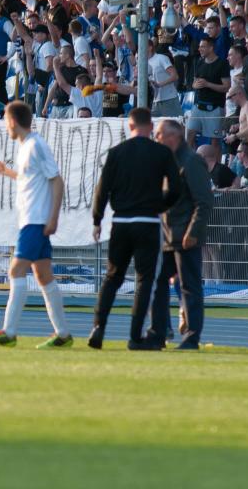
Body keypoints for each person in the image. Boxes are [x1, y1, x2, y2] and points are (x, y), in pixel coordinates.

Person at [88, 108, 182, 350]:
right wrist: (160, 205)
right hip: (148, 222)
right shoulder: (161, 153)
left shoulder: (117, 153)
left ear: (129, 127)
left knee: (112, 277)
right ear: (150, 127)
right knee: (145, 281)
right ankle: (134, 335)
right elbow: (175, 189)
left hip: (121, 222)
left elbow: (103, 188)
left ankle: (98, 327)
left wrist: (97, 220)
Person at [0, 101, 72, 349]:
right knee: (43, 276)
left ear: (12, 121)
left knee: (15, 271)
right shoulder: (25, 147)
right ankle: (63, 334)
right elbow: (30, 178)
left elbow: (57, 180)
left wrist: (53, 218)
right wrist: (7, 172)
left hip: (36, 220)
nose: (5, 127)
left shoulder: (36, 145)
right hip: (30, 219)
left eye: (5, 122)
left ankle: (8, 332)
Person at [151, 119, 213, 350]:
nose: (156, 139)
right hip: (167, 236)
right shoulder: (167, 161)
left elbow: (204, 201)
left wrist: (193, 232)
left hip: (184, 235)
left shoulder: (191, 161)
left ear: (173, 137)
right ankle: (158, 333)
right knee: (156, 285)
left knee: (189, 287)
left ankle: (191, 337)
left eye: (159, 135)